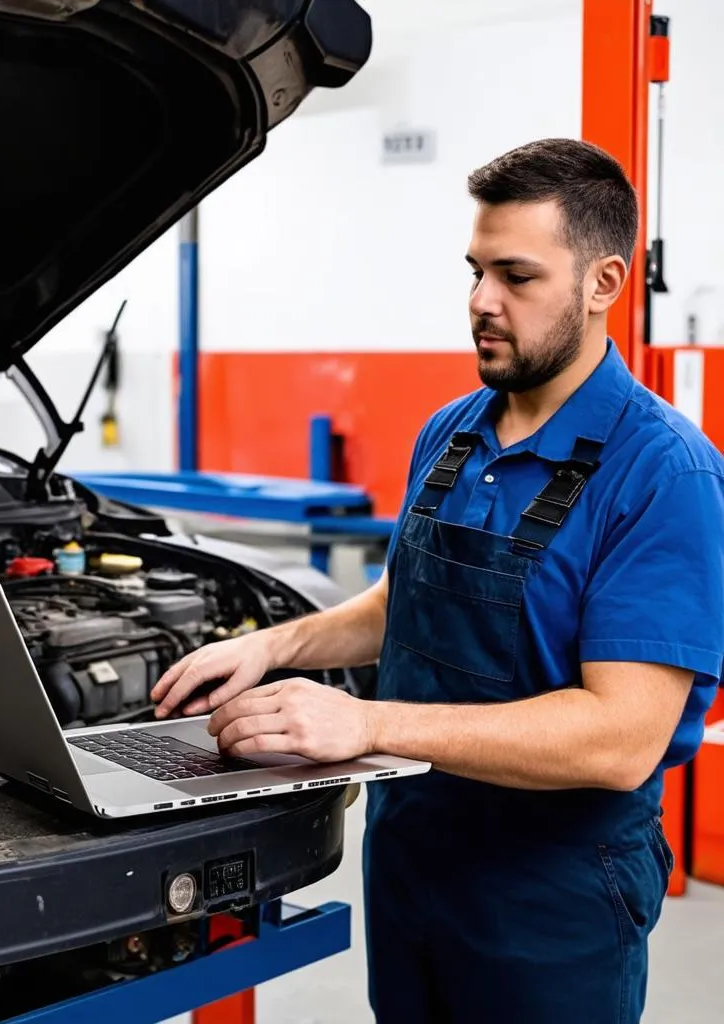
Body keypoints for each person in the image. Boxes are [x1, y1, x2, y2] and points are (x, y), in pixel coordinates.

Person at [150, 137, 724, 1023]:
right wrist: (275, 644)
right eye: (475, 270)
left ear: (605, 283)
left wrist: (366, 720)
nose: (481, 303)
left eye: (517, 277)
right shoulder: (452, 433)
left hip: (551, 893)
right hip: (415, 853)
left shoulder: (663, 474)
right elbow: (406, 603)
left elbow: (621, 739)